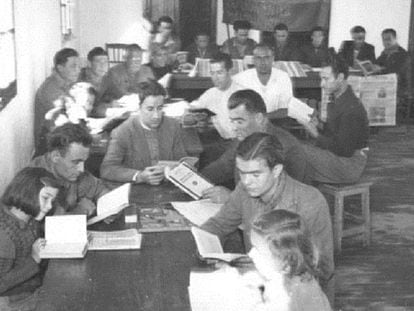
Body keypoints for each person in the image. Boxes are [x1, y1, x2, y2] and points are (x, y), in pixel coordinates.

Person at [200, 132, 334, 303]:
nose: (247, 181)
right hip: (261, 284)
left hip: (297, 297)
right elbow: (219, 224)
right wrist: (201, 243)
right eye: (241, 173)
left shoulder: (310, 201)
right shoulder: (244, 190)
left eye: (256, 174)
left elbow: (322, 268)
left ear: (276, 170)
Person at [201, 89, 307, 203]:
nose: (234, 128)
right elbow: (222, 167)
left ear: (259, 118)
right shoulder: (246, 137)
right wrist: (191, 178)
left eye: (240, 122)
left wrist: (231, 198)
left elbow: (279, 202)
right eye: (232, 121)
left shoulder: (285, 148)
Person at [100, 80, 187, 185]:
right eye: (150, 109)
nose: (156, 116)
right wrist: (139, 176)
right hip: (137, 190)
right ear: (139, 108)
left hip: (167, 187)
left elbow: (182, 162)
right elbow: (107, 169)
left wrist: (171, 171)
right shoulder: (122, 132)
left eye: (160, 108)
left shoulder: (173, 126)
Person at [300, 54, 369, 184]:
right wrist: (321, 126)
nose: (321, 84)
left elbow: (344, 150)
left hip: (349, 165)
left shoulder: (351, 108)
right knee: (297, 151)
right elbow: (338, 133)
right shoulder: (338, 99)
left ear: (341, 77)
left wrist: (316, 135)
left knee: (297, 152)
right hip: (341, 157)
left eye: (326, 79)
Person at [0, 167, 61, 310]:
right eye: (46, 198)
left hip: (29, 288)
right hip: (11, 301)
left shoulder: (29, 218)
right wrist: (33, 259)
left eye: (52, 200)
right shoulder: (4, 236)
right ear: (27, 193)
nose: (49, 206)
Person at [248, 209, 332, 310]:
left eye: (258, 250)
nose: (250, 254)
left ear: (287, 262)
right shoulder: (280, 275)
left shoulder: (303, 291)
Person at [30, 123, 109, 215]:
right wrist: (79, 211)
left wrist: (109, 208)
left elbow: (100, 189)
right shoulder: (33, 179)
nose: (81, 170)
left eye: (83, 162)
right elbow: (45, 225)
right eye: (76, 162)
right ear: (56, 156)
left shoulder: (69, 172)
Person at [34, 48, 81, 156]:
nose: (78, 70)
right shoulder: (51, 90)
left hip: (63, 140)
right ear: (60, 68)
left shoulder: (65, 83)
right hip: (50, 150)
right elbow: (67, 123)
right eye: (73, 66)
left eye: (79, 66)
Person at [189, 53, 241, 140]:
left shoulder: (241, 93)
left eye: (219, 73)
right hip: (217, 141)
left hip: (237, 142)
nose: (215, 78)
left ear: (230, 72)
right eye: (212, 73)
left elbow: (234, 129)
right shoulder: (210, 93)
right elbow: (193, 109)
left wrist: (212, 123)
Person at [233, 44, 293, 115]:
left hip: (276, 122)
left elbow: (285, 110)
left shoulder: (283, 77)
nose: (263, 62)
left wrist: (263, 118)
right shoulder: (240, 78)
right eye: (258, 58)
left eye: (266, 57)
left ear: (272, 59)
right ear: (253, 60)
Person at [374, 28, 412, 111]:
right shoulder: (385, 53)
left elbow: (396, 74)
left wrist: (380, 69)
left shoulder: (403, 55)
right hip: (386, 86)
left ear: (395, 38)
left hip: (399, 90)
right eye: (383, 40)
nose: (385, 42)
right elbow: (376, 64)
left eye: (388, 39)